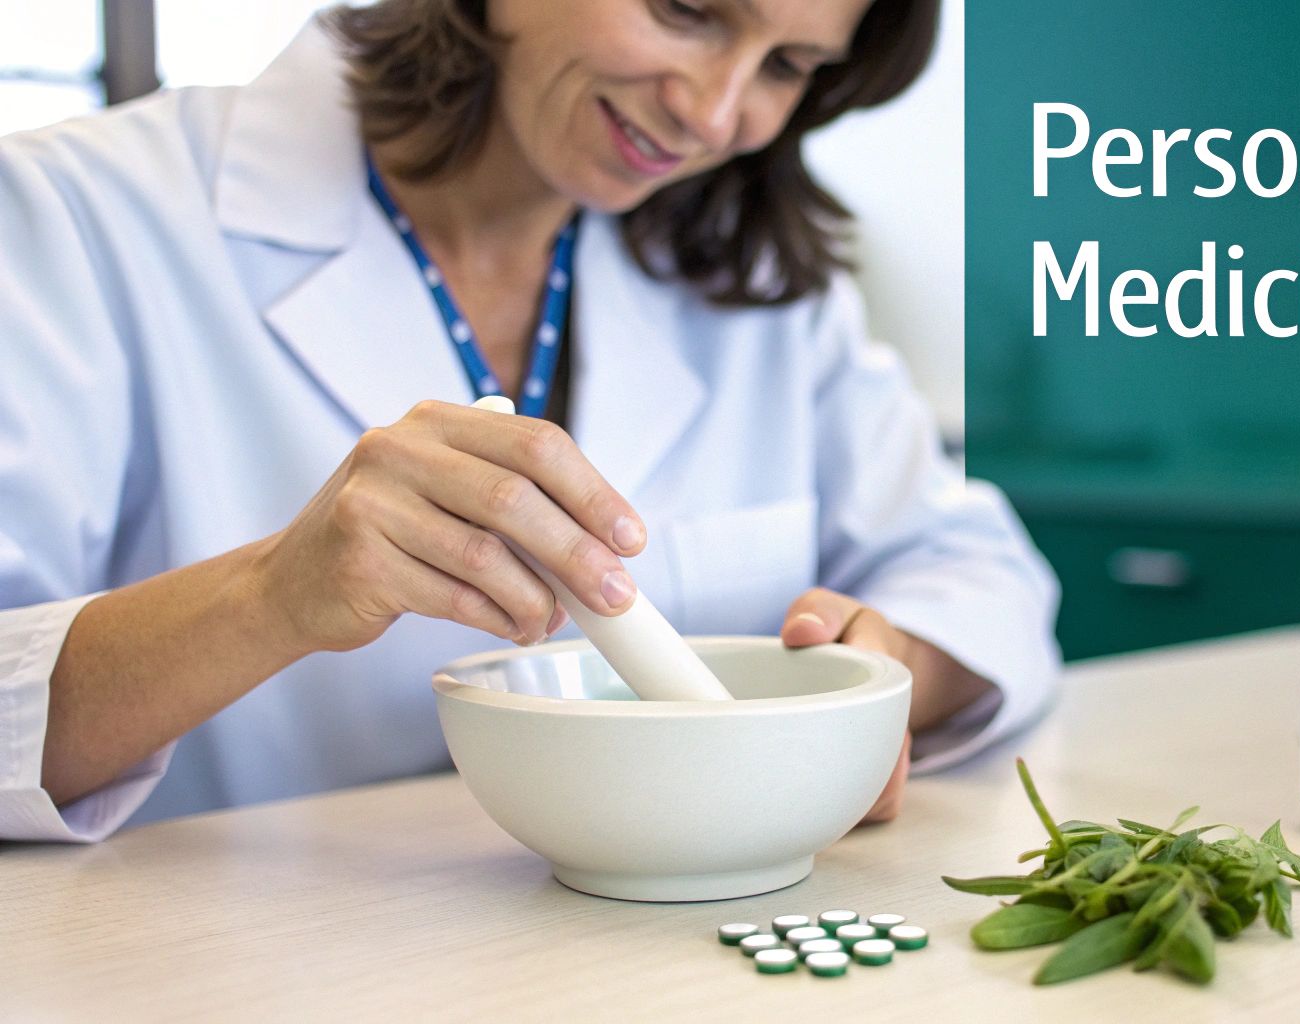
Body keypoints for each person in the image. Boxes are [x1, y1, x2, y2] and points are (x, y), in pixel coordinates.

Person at [0, 0, 1059, 842]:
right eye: (685, 9)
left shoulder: (755, 280)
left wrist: (880, 675)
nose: (715, 111)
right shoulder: (75, 219)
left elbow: (979, 574)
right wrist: (272, 595)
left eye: (786, 65)